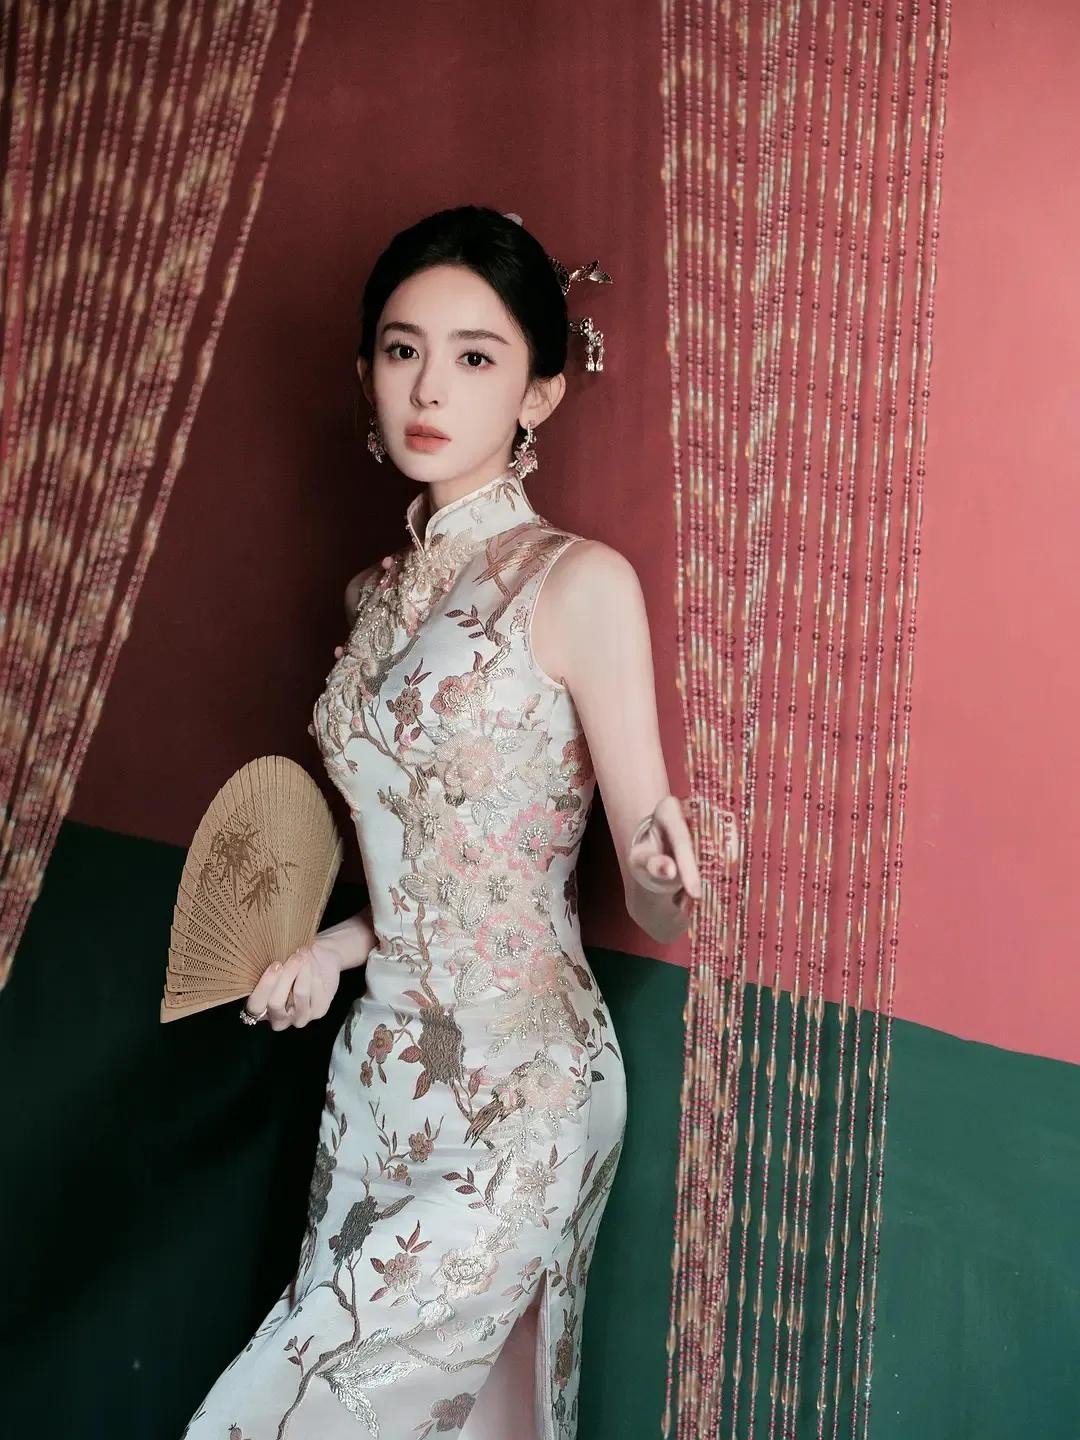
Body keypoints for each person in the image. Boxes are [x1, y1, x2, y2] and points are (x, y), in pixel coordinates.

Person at [183, 205, 711, 1440]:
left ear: (540, 393)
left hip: (526, 1090)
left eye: (477, 356)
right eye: (402, 348)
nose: (430, 387)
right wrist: (330, 953)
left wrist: (660, 872)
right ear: (367, 372)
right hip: (378, 1079)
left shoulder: (579, 583)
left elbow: (650, 897)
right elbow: (420, 870)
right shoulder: (369, 600)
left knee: (288, 1414)